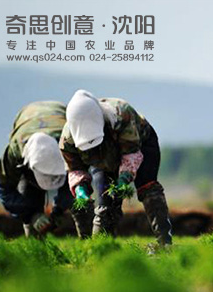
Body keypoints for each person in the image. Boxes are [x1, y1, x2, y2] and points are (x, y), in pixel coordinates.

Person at [60, 89, 172, 245]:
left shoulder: (121, 114)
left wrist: (124, 177)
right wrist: (80, 187)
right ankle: (100, 250)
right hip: (102, 160)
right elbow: (75, 168)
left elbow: (131, 153)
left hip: (140, 144)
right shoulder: (67, 141)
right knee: (104, 205)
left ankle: (164, 243)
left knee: (148, 188)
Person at [0, 101, 82, 238]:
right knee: (30, 199)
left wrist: (58, 211)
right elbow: (4, 189)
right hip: (26, 117)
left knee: (81, 200)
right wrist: (31, 215)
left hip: (59, 114)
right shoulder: (15, 151)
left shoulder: (70, 144)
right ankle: (35, 246)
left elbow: (76, 179)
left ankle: (90, 242)